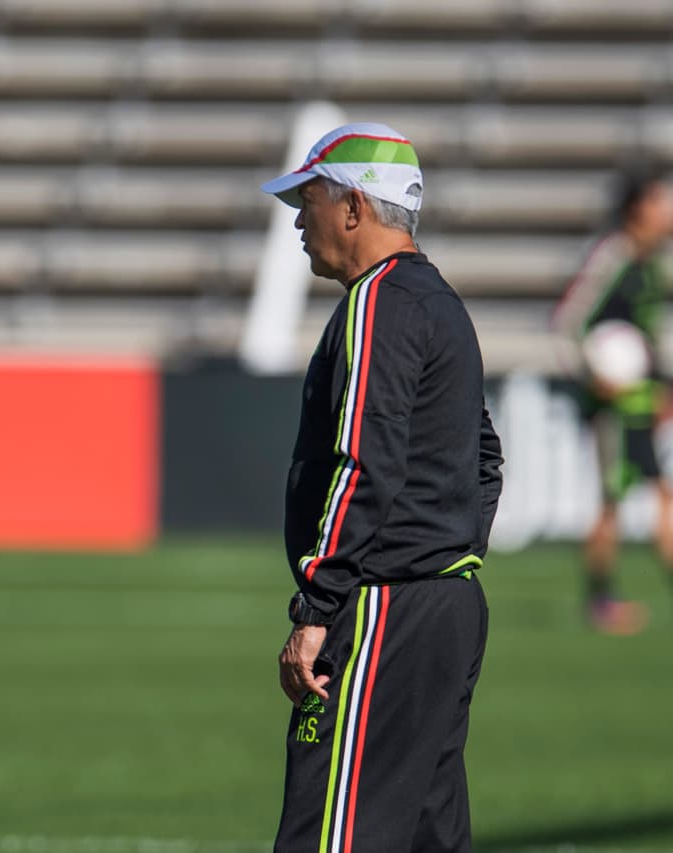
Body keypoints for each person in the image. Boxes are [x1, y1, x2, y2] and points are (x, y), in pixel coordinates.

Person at [261, 122, 504, 853]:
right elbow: (485, 458)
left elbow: (364, 458)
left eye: (309, 200)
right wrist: (451, 555)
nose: (300, 221)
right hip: (445, 604)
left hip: (382, 607)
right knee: (430, 835)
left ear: (354, 208)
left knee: (329, 836)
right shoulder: (442, 304)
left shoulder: (381, 302)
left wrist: (320, 601)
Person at [551, 167, 673, 635]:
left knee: (662, 494)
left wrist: (660, 387)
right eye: (659, 201)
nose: (666, 211)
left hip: (643, 403)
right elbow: (568, 320)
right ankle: (600, 601)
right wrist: (591, 373)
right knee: (611, 503)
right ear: (636, 208)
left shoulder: (652, 262)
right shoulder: (613, 257)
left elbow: (648, 336)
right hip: (613, 409)